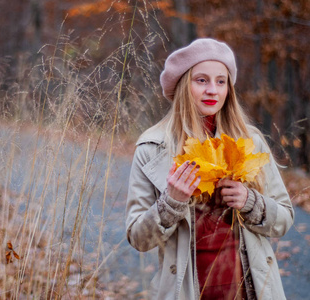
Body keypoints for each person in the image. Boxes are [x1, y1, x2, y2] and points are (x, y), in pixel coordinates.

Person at [125, 38, 294, 300]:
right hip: (187, 291)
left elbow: (284, 219)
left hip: (250, 291)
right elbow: (139, 239)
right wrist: (171, 202)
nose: (212, 90)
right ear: (183, 86)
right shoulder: (152, 148)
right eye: (201, 80)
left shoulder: (249, 142)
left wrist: (250, 202)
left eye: (221, 81)